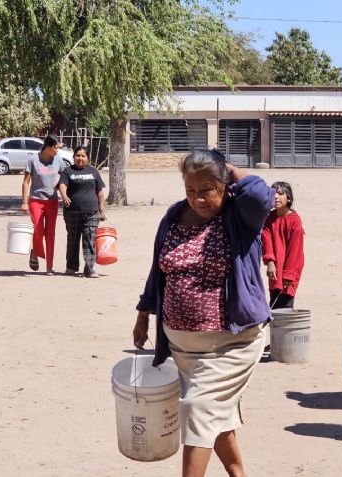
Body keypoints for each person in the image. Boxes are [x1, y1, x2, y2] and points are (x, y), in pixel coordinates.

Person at [133, 149, 274, 477]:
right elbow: (159, 270)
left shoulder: (241, 215)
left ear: (224, 186)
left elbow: (262, 196)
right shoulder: (173, 216)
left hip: (231, 345)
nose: (197, 199)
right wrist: (143, 313)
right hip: (184, 348)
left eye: (206, 190)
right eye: (190, 190)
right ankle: (238, 474)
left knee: (198, 408)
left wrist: (231, 169)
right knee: (212, 414)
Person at [58, 146, 106, 277]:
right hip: (72, 212)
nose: (80, 158)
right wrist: (64, 196)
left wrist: (102, 209)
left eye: (83, 156)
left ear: (87, 158)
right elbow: (62, 185)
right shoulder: (68, 171)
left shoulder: (93, 171)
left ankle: (89, 268)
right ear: (73, 157)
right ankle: (71, 267)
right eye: (78, 155)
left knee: (89, 239)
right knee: (73, 240)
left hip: (92, 212)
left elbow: (100, 191)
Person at [20, 135, 64, 275]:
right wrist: (24, 202)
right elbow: (26, 182)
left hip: (52, 201)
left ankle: (49, 266)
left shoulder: (58, 160)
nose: (57, 151)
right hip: (36, 200)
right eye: (56, 148)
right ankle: (36, 252)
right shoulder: (33, 159)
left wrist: (60, 185)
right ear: (49, 146)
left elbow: (64, 176)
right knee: (38, 230)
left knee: (50, 233)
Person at [262, 181, 305, 309]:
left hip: (290, 269)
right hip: (275, 268)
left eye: (280, 194)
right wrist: (270, 261)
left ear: (289, 198)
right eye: (273, 194)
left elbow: (295, 251)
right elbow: (266, 240)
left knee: (285, 305)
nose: (276, 197)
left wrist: (288, 275)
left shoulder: (295, 221)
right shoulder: (269, 218)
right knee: (274, 301)